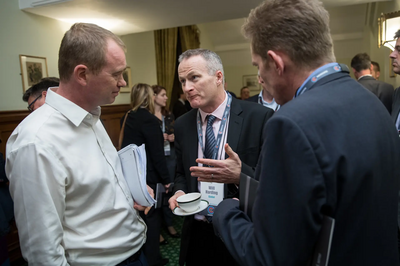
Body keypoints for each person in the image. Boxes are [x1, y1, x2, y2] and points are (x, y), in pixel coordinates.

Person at [213, 1, 400, 265]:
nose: (260, 77)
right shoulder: (374, 102)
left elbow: (268, 257)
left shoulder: (290, 124)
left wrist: (225, 212)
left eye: (258, 66)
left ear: (276, 63)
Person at [6, 23, 151, 265]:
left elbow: (90, 188)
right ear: (82, 74)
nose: (123, 82)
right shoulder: (37, 142)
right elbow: (43, 251)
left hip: (135, 251)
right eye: (116, 74)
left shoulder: (91, 115)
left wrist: (128, 193)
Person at [168, 48, 274, 266]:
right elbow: (181, 173)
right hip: (198, 232)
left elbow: (274, 183)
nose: (187, 88)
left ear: (218, 77)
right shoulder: (182, 124)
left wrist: (239, 175)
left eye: (194, 77)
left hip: (239, 229)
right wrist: (178, 191)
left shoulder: (259, 117)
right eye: (182, 81)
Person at [120, 83, 171, 266]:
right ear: (149, 98)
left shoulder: (127, 117)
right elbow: (157, 154)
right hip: (149, 177)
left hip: (131, 175)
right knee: (153, 220)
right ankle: (153, 260)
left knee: (140, 219)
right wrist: (166, 180)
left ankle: (144, 258)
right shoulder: (149, 120)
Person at [151, 85, 180, 242]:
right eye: (163, 95)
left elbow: (178, 134)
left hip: (170, 157)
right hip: (154, 159)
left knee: (169, 189)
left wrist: (173, 137)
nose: (166, 97)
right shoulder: (147, 116)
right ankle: (157, 229)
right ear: (154, 96)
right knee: (156, 192)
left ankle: (169, 224)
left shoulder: (168, 115)